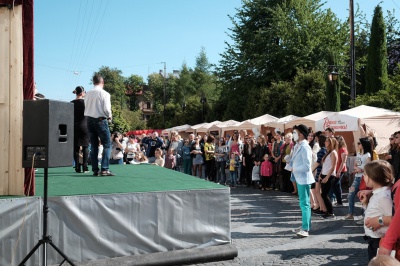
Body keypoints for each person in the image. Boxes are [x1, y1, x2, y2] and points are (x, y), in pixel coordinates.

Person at [358, 160, 393, 261]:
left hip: (379, 241)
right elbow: (373, 211)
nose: (363, 176)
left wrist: (379, 221)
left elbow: (393, 219)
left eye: (365, 174)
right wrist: (365, 204)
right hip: (373, 239)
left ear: (373, 177)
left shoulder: (383, 197)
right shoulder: (377, 193)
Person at [84, 74, 114, 176]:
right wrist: (109, 116)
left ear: (93, 82)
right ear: (102, 82)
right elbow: (106, 109)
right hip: (100, 120)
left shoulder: (87, 94)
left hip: (89, 120)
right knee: (107, 145)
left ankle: (95, 169)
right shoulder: (105, 93)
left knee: (94, 146)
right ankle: (104, 169)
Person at [288, 124, 315, 238]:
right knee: (304, 204)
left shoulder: (304, 147)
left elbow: (307, 166)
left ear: (300, 134)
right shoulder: (299, 145)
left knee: (304, 204)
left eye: (295, 132)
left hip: (304, 178)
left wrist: (295, 168)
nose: (293, 134)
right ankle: (305, 225)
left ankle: (305, 229)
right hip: (300, 178)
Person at [345, 137, 372, 220]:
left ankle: (364, 216)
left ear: (364, 144)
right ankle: (351, 213)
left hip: (364, 178)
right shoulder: (359, 154)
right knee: (351, 194)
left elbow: (369, 167)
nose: (358, 145)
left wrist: (361, 170)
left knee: (363, 196)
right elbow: (355, 165)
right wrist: (357, 169)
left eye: (359, 143)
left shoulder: (367, 155)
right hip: (356, 177)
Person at [318, 137, 338, 219]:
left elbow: (333, 167)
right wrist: (320, 174)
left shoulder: (333, 153)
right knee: (323, 194)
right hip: (323, 174)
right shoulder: (328, 152)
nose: (325, 142)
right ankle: (328, 211)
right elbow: (324, 165)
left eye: (327, 141)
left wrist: (327, 177)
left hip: (329, 176)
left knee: (324, 194)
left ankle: (331, 212)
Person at [71, 86, 89, 173]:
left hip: (74, 126)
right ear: (82, 93)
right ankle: (85, 166)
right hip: (84, 125)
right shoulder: (86, 103)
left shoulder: (71, 103)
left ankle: (77, 167)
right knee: (85, 146)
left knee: (76, 147)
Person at [330, 135, 348, 206]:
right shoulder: (337, 149)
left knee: (335, 184)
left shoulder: (343, 149)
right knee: (336, 185)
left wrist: (339, 172)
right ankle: (339, 201)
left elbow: (343, 162)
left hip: (340, 170)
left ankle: (339, 201)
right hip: (336, 169)